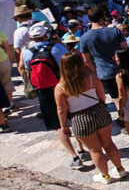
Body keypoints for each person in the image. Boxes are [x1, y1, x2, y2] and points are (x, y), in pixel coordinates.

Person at [54, 52, 126, 184]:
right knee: (108, 143)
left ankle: (105, 176)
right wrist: (101, 108)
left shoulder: (61, 87)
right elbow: (102, 96)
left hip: (79, 118)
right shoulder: (92, 77)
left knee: (94, 149)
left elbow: (61, 109)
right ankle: (120, 169)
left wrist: (63, 125)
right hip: (99, 111)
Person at [23, 23, 88, 167]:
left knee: (58, 124)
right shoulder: (57, 48)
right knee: (73, 117)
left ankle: (74, 157)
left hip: (44, 91)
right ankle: (81, 149)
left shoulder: (27, 52)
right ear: (46, 35)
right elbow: (66, 66)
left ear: (31, 37)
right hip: (64, 86)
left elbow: (27, 68)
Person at [79, 7, 127, 121]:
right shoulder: (115, 31)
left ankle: (123, 119)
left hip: (103, 72)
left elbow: (87, 60)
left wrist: (95, 74)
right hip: (121, 68)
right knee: (127, 94)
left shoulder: (84, 38)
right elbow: (125, 48)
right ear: (102, 17)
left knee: (116, 97)